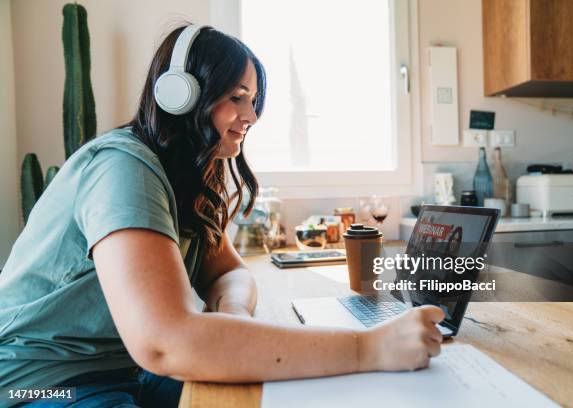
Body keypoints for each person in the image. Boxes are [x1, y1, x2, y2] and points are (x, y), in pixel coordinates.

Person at [0, 25, 444, 407]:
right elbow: (165, 342)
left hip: (119, 370)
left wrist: (231, 310)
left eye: (252, 100)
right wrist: (369, 348)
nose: (251, 115)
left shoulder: (182, 177)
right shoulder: (122, 167)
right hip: (40, 383)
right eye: (237, 96)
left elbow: (230, 271)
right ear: (180, 94)